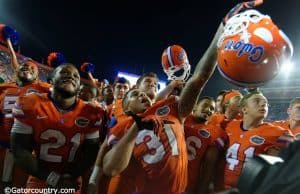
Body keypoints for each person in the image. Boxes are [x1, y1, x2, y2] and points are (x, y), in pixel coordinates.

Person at [101, 22, 224, 194]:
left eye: (142, 94)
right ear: (127, 108)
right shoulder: (123, 125)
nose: (142, 95)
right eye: (135, 95)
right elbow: (110, 168)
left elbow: (199, 79)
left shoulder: (170, 106)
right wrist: (135, 129)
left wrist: (221, 34)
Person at [10, 64, 106, 192]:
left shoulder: (91, 112)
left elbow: (91, 153)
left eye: (75, 76)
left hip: (71, 178)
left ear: (78, 86)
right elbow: (19, 150)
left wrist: (70, 177)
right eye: (65, 73)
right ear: (51, 79)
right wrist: (51, 178)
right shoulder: (31, 103)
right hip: (40, 176)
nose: (71, 77)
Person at [0, 38, 50, 191]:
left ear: (36, 75)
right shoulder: (4, 87)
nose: (26, 68)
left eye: (31, 68)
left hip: (26, 148)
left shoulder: (42, 87)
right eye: (23, 67)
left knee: (18, 187)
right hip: (1, 144)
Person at [224, 91, 294, 189]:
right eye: (257, 101)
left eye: (265, 103)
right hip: (219, 187)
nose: (263, 104)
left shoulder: (279, 133)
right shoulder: (228, 126)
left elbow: (294, 160)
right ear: (244, 109)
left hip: (248, 190)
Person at [184, 96, 227, 194]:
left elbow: (209, 167)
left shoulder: (216, 133)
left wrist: (202, 189)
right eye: (205, 106)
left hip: (188, 183)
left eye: (212, 109)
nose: (208, 110)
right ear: (195, 107)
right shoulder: (182, 117)